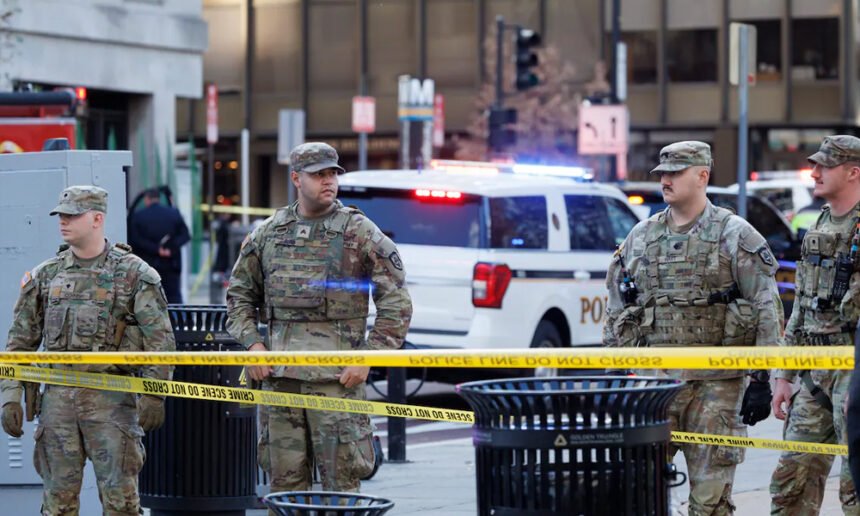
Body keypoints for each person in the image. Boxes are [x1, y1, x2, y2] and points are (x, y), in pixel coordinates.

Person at [604, 141, 783, 515]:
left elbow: (767, 308)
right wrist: (615, 374)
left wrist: (764, 380)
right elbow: (617, 308)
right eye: (663, 173)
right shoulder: (641, 236)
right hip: (655, 387)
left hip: (716, 391)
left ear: (702, 175)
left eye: (675, 172)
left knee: (710, 504)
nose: (665, 180)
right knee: (638, 496)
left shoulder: (736, 236)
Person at [226, 142, 412, 494]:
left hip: (336, 384)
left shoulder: (359, 231)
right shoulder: (268, 233)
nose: (328, 182)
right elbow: (239, 296)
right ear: (296, 178)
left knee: (341, 487)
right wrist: (253, 344)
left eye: (332, 174)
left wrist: (369, 357)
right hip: (281, 383)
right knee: (284, 490)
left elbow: (396, 302)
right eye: (318, 175)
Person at [0, 185, 175, 515]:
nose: (63, 222)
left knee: (121, 503)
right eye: (61, 216)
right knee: (57, 504)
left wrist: (155, 393)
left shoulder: (134, 274)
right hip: (57, 406)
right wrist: (11, 393)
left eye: (72, 216)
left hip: (112, 403)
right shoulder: (46, 275)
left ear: (97, 219)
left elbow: (160, 340)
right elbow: (19, 343)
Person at [770, 135, 860, 515]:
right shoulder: (819, 224)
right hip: (812, 371)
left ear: (854, 171)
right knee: (791, 482)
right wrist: (784, 374)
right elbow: (802, 308)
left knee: (855, 488)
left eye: (826, 165)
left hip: (854, 370)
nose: (815, 172)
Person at [128, 187, 190, 303]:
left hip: (147, 265)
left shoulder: (138, 216)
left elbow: (135, 240)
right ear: (159, 199)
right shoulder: (173, 214)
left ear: (146, 199)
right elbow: (185, 235)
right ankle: (176, 321)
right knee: (173, 298)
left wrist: (156, 249)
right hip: (171, 264)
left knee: (148, 299)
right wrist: (170, 249)